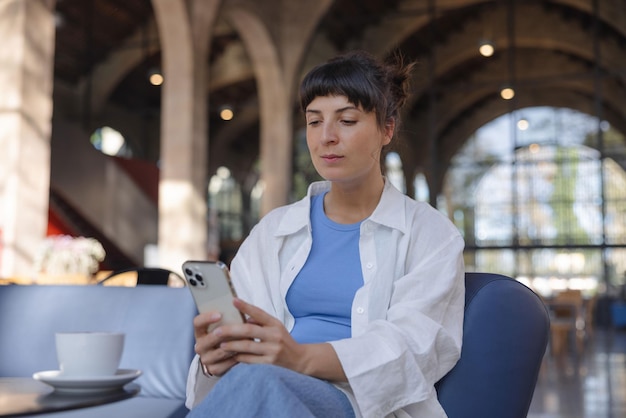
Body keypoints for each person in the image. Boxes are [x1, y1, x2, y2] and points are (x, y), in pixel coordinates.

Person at [185, 50, 465, 418]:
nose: (326, 137)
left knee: (259, 384)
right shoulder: (273, 231)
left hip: (359, 404)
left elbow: (414, 347)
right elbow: (247, 336)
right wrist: (216, 359)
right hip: (261, 391)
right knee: (255, 384)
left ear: (387, 129)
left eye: (347, 120)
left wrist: (300, 358)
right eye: (314, 122)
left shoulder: (431, 235)